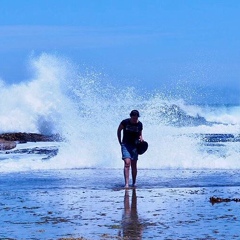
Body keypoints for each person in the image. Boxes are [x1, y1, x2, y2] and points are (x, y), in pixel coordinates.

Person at [117, 110, 143, 188]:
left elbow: (140, 134)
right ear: (130, 117)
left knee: (134, 164)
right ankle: (127, 184)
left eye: (136, 118)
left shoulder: (139, 124)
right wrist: (120, 141)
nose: (135, 119)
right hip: (125, 144)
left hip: (135, 145)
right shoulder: (125, 122)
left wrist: (141, 139)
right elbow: (119, 131)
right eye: (134, 118)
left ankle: (134, 182)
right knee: (127, 163)